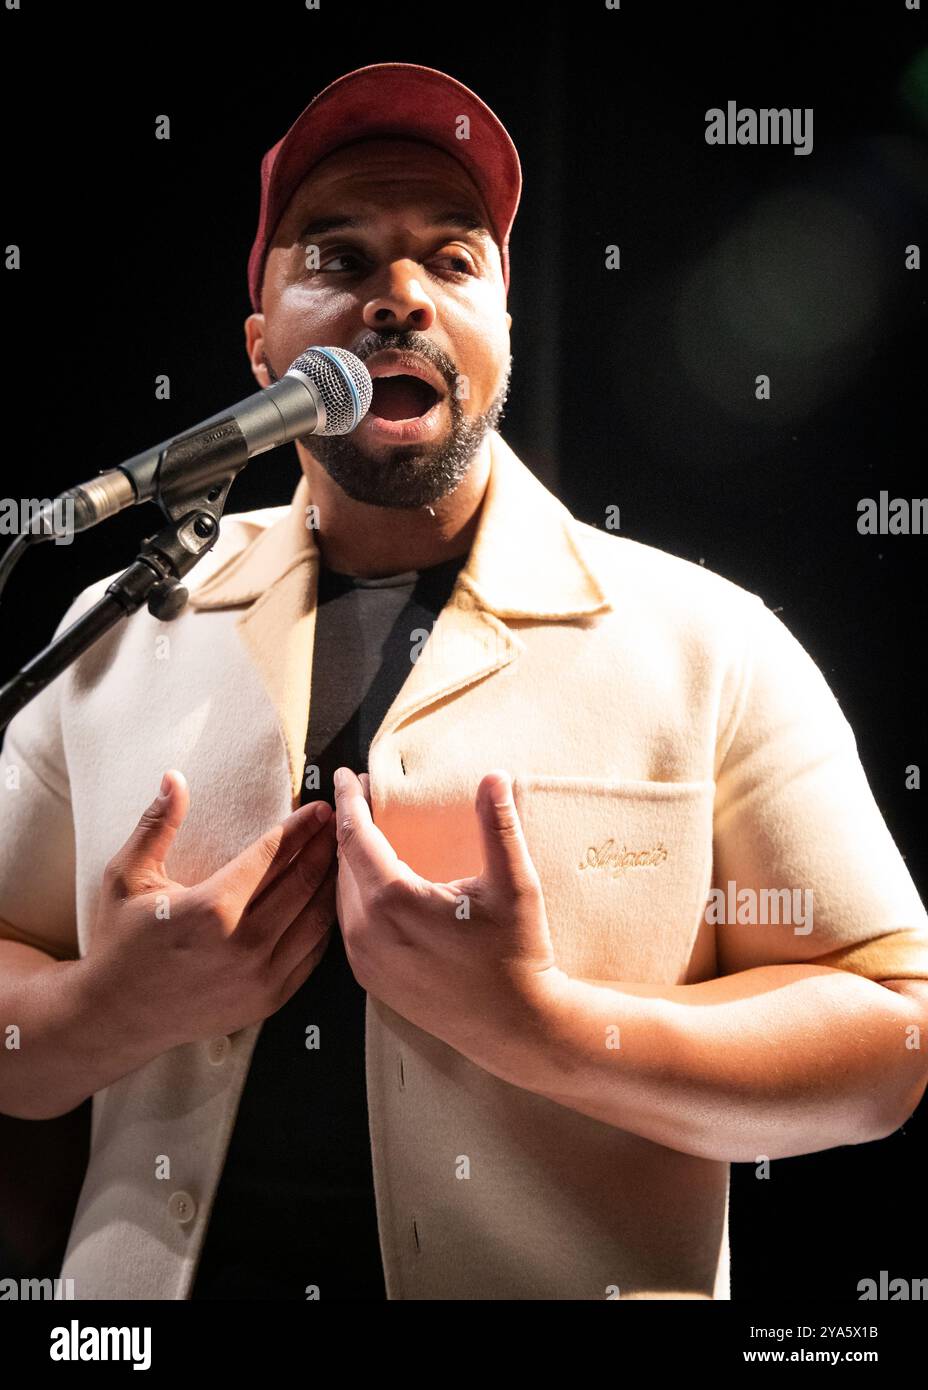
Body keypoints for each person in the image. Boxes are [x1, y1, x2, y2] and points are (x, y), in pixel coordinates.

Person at [1, 62, 927, 1302]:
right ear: (259, 341)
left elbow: (889, 1031)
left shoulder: (710, 641)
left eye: (451, 261)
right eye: (335, 259)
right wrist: (102, 1010)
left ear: (499, 332)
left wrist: (548, 1028)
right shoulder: (112, 626)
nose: (397, 300)